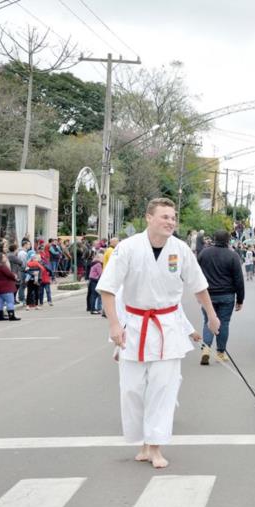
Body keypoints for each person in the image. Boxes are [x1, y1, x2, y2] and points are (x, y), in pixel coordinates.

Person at [97, 197, 220, 469]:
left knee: (163, 388)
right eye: (165, 216)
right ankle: (142, 442)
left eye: (173, 217)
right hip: (134, 324)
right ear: (149, 218)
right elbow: (108, 288)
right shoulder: (128, 248)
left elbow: (198, 285)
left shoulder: (181, 250)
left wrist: (211, 316)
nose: (170, 221)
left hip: (167, 327)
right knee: (132, 389)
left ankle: (155, 447)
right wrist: (114, 324)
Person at [197, 230, 244, 365]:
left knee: (208, 320)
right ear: (228, 240)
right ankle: (220, 353)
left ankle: (206, 349)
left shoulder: (204, 253)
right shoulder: (233, 256)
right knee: (223, 323)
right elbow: (238, 279)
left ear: (214, 238)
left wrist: (198, 293)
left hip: (208, 295)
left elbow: (197, 274)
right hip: (227, 295)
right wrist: (240, 299)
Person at [0, 253, 20, 321]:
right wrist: (15, 276)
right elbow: (9, 274)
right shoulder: (2, 266)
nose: (5, 258)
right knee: (10, 301)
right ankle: (11, 316)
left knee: (0, 301)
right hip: (6, 286)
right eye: (4, 257)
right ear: (0, 259)